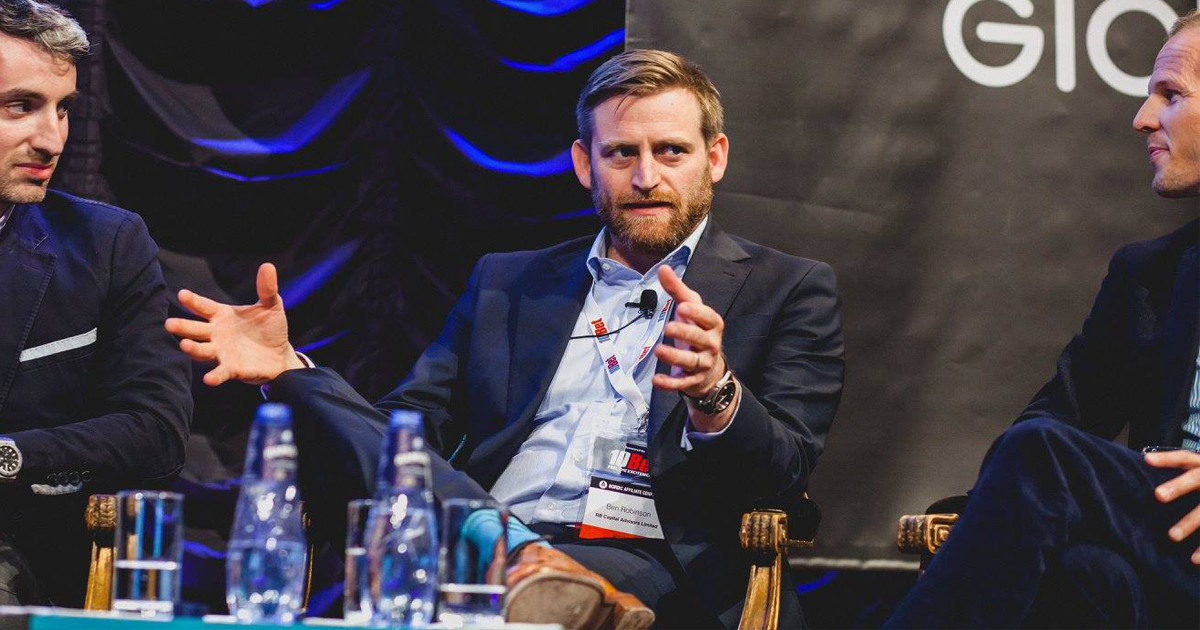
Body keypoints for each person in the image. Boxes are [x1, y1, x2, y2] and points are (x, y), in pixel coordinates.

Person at [167, 49, 844, 629]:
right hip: (480, 532)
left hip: (649, 555)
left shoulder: (787, 289)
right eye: (621, 153)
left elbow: (785, 470)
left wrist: (715, 393)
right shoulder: (509, 282)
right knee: (400, 451)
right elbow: (405, 432)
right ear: (584, 163)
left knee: (487, 587)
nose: (646, 177)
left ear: (714, 158)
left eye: (670, 150)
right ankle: (515, 550)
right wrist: (290, 372)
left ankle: (523, 564)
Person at [883, 12, 1200, 630]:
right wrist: (983, 525)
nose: (1141, 118)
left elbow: (1042, 452)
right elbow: (1059, 416)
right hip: (1169, 547)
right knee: (1082, 571)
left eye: (1171, 94)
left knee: (1040, 456)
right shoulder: (1151, 273)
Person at [0, 0, 192, 607]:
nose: (52, 139)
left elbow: (156, 428)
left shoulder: (106, 244)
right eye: (20, 106)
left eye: (63, 109)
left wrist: (10, 455)